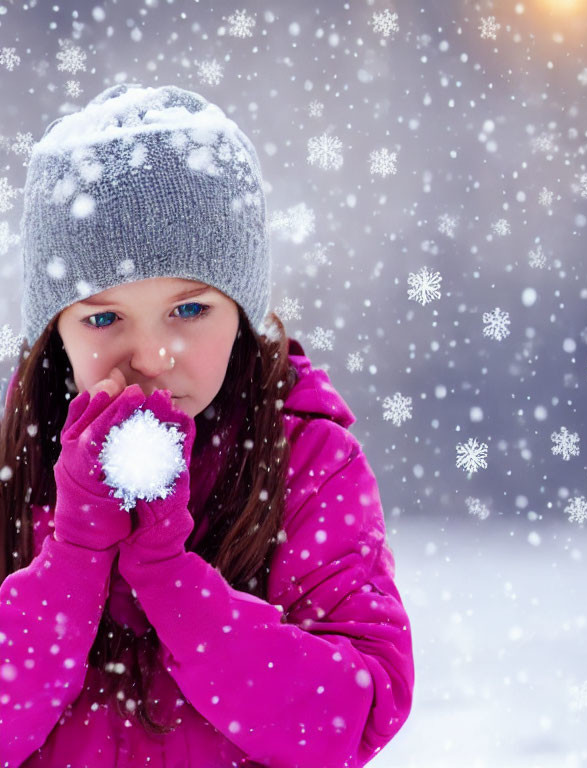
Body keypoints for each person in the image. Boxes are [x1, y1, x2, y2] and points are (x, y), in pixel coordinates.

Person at [0, 84, 414, 767]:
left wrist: (171, 578)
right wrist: (73, 558)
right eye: (103, 319)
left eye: (189, 311)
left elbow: (352, 715)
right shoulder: (13, 464)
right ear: (56, 336)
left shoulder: (307, 460)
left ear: (241, 312)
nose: (153, 358)